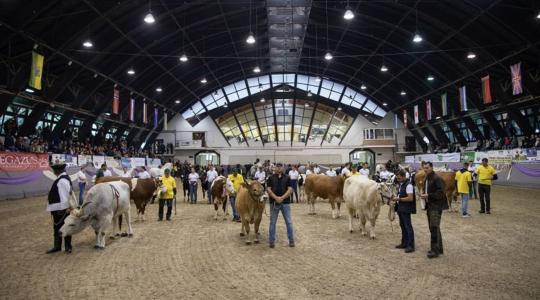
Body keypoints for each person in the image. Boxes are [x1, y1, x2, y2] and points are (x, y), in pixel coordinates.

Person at [419, 162, 448, 259]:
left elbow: (441, 193)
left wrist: (428, 195)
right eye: (424, 168)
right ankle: (439, 248)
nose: (426, 169)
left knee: (434, 227)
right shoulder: (427, 178)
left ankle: (434, 250)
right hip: (430, 205)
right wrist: (423, 193)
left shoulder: (437, 178)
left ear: (432, 167)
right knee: (434, 227)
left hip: (436, 206)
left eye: (427, 168)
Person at [46, 162, 74, 254]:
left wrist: (64, 209)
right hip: (58, 208)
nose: (54, 172)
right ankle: (59, 246)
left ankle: (66, 246)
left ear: (57, 171)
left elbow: (64, 196)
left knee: (63, 227)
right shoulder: (62, 179)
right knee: (58, 227)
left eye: (54, 170)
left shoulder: (62, 180)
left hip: (61, 209)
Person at [266, 163, 294, 248]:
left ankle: (291, 240)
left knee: (289, 222)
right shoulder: (270, 178)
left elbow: (290, 190)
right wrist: (276, 198)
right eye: (277, 167)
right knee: (272, 223)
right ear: (274, 168)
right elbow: (268, 190)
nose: (278, 168)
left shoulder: (287, 178)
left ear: (283, 168)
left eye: (280, 166)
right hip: (274, 203)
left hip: (285, 203)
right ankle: (271, 241)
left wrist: (281, 198)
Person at [393, 170, 416, 253]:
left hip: (406, 209)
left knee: (408, 227)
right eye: (397, 178)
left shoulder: (408, 185)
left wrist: (398, 199)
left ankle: (410, 245)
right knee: (403, 226)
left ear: (403, 176)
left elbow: (410, 198)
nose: (398, 179)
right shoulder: (402, 184)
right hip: (401, 208)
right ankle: (404, 243)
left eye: (399, 178)